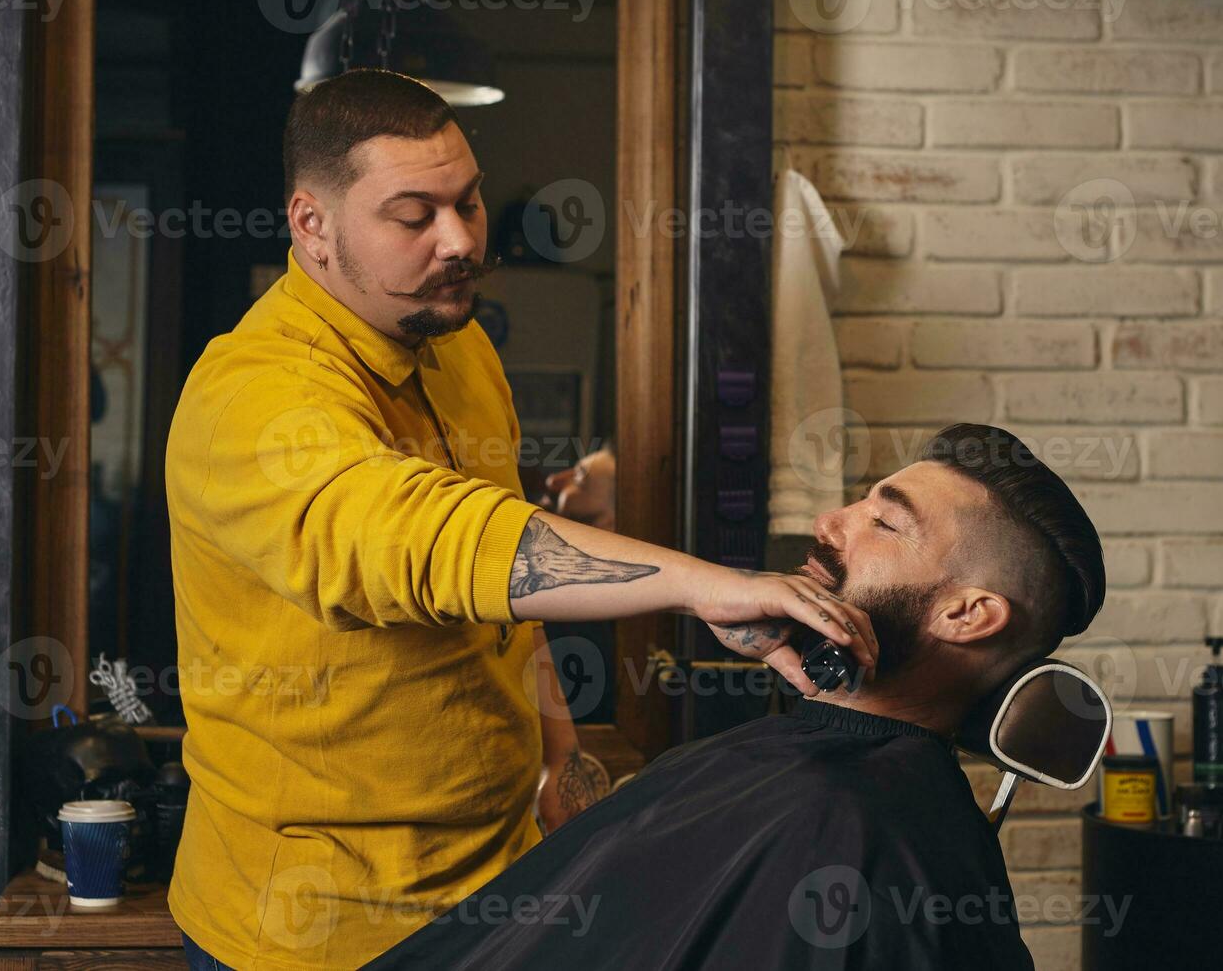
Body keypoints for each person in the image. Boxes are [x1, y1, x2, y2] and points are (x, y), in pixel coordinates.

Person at [163, 70, 878, 970]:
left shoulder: (458, 347)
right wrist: (711, 588)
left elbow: (504, 599)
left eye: (467, 202)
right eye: (414, 216)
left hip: (496, 890)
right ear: (313, 225)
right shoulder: (255, 399)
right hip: (321, 930)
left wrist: (561, 771)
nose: (460, 239)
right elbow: (440, 545)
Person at [364, 423, 1106, 970]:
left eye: (882, 521)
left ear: (966, 615)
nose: (830, 522)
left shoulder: (854, 834)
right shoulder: (814, 782)